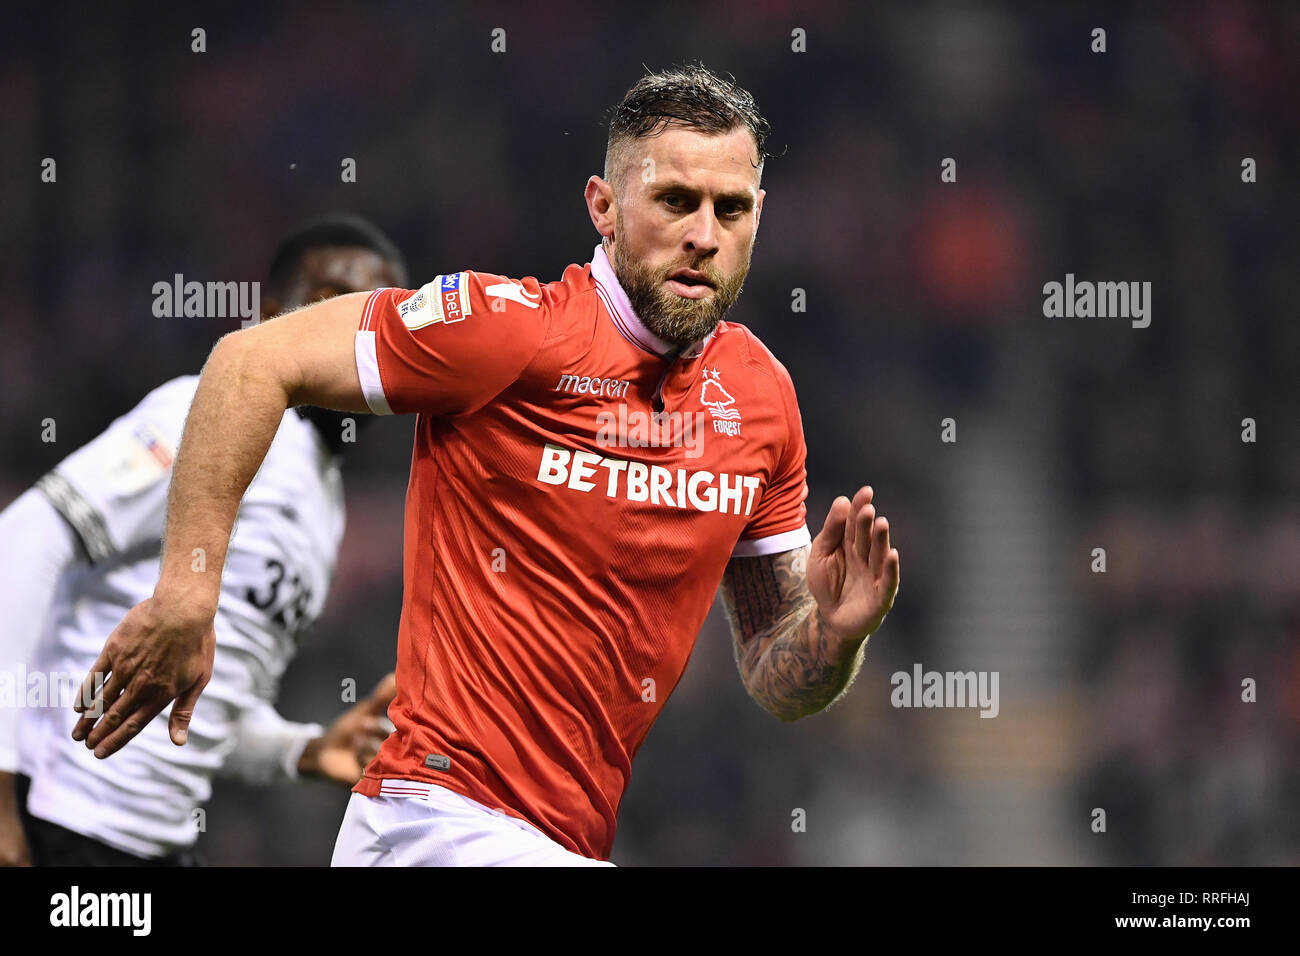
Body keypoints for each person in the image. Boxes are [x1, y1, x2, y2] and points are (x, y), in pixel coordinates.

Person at [73, 65, 901, 866]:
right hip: (430, 822)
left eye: (731, 209)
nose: (702, 236)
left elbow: (776, 676)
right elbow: (250, 363)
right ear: (604, 208)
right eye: (675, 201)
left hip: (559, 843)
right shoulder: (511, 331)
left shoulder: (760, 400)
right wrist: (186, 591)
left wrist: (834, 635)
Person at [0, 214, 407, 865]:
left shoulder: (324, 504)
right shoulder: (207, 415)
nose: (355, 332)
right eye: (336, 303)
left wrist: (302, 751)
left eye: (380, 318)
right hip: (55, 816)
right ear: (275, 316)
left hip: (150, 847)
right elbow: (23, 542)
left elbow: (206, 709)